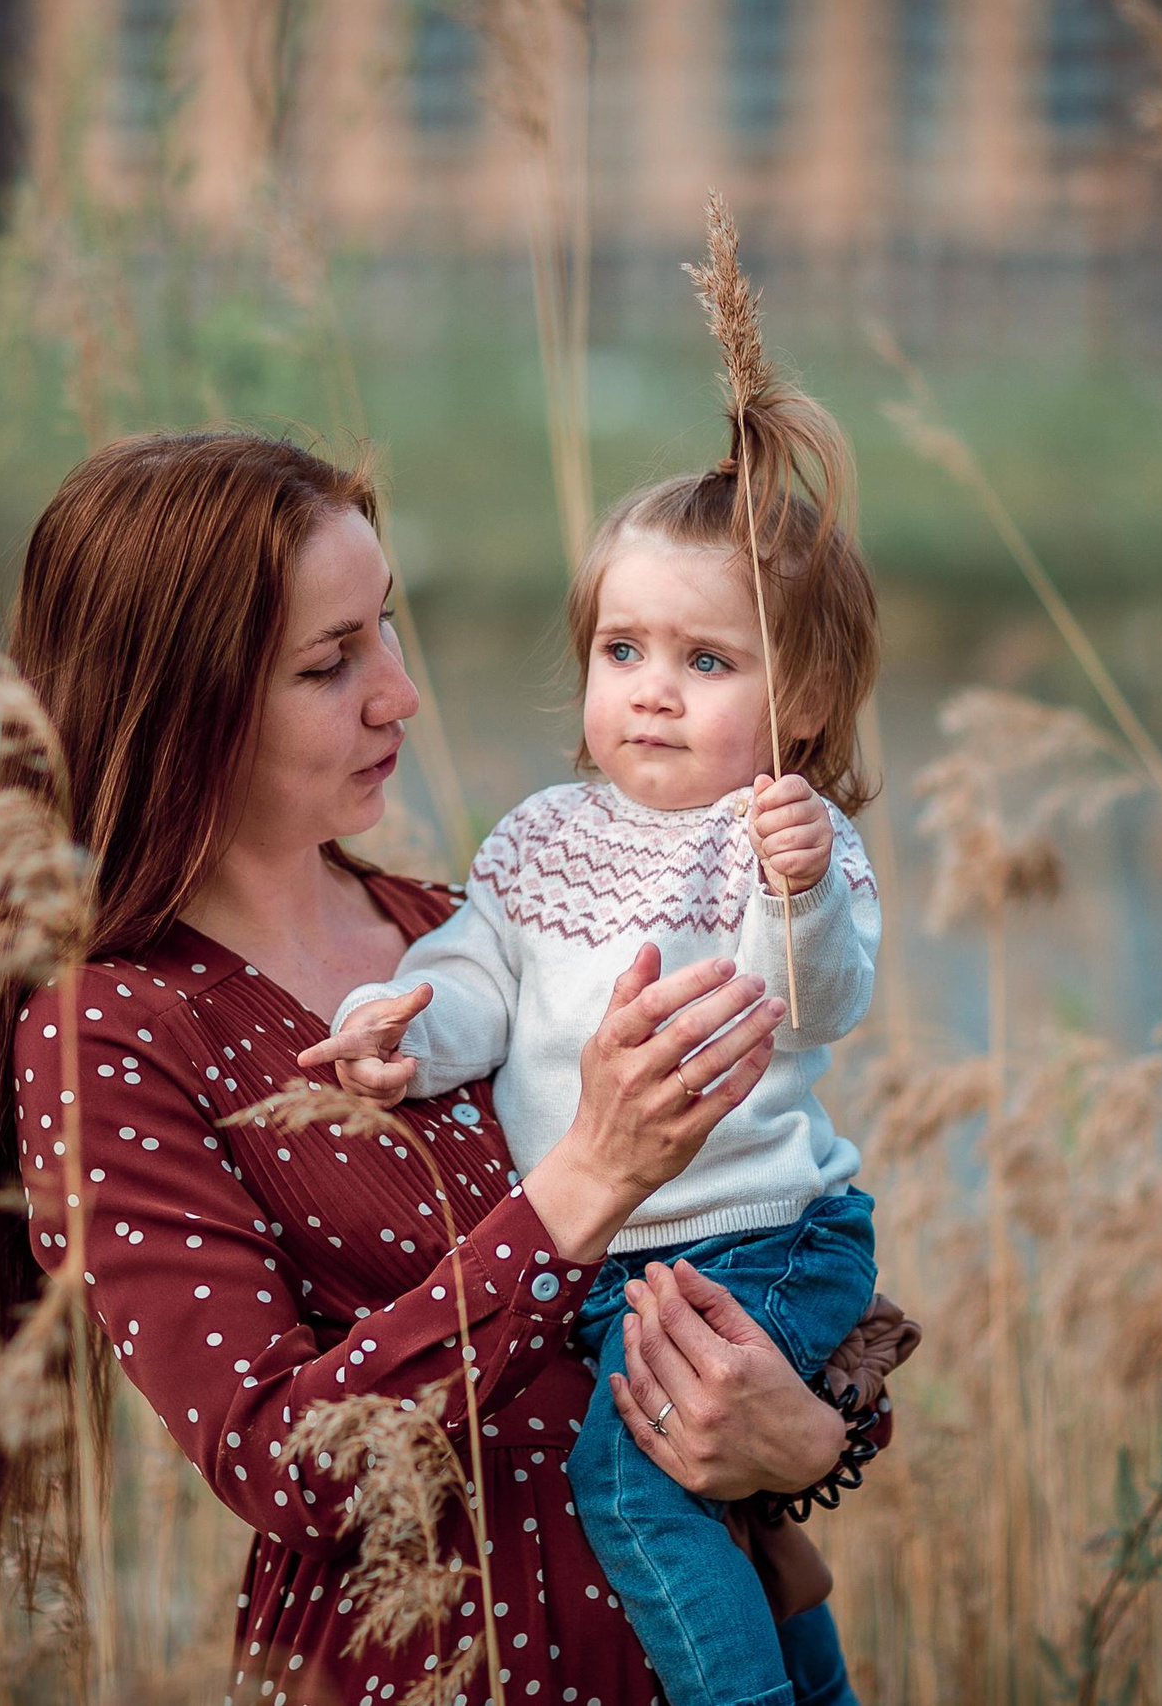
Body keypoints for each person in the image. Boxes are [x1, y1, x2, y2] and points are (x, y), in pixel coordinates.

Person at [0, 431, 895, 1704]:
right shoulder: (113, 1033)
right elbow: (287, 1460)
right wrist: (589, 1178)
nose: (400, 693)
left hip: (692, 1653)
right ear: (186, 701)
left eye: (386, 629)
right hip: (441, 1667)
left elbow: (727, 1268)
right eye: (331, 662)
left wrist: (811, 1436)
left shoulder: (441, 931)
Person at [303, 363, 884, 1706]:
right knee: (722, 1505)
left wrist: (798, 888)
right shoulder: (540, 837)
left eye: (708, 660)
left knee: (629, 1479)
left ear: (798, 703)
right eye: (623, 652)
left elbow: (819, 1001)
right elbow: (477, 976)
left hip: (765, 1236)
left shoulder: (783, 839)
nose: (655, 691)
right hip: (615, 1259)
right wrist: (399, 1028)